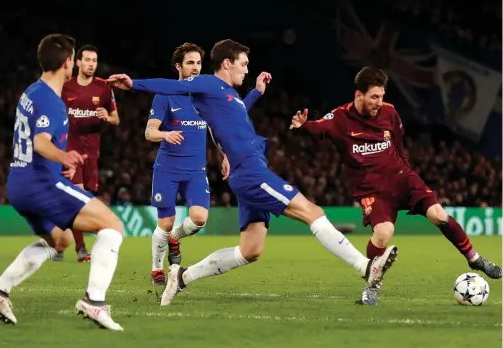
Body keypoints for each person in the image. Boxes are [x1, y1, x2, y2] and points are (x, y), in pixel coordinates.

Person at [107, 39, 399, 307]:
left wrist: (256, 94)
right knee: (313, 212)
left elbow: (234, 117)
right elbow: (171, 86)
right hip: (249, 170)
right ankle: (366, 268)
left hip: (249, 168)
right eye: (244, 64)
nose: (247, 69)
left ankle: (181, 276)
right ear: (227, 63)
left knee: (250, 250)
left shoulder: (227, 94)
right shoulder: (208, 84)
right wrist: (134, 83)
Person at [290, 66, 502, 306]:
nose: (379, 102)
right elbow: (319, 126)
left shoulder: (389, 112)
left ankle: (474, 259)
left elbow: (399, 144)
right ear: (358, 95)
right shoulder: (341, 118)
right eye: (374, 97)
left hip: (402, 179)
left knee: (438, 214)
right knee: (383, 235)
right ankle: (372, 285)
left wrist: (406, 171)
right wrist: (304, 124)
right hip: (373, 191)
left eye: (381, 96)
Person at [0, 34, 124, 330]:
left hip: (19, 183)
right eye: (74, 58)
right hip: (40, 185)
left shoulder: (32, 91)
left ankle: (0, 290)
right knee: (113, 226)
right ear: (67, 63)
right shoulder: (52, 101)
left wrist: (55, 160)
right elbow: (40, 142)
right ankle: (95, 302)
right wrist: (63, 157)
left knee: (59, 242)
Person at [145, 43, 235, 287]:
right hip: (168, 168)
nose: (195, 68)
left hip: (196, 169)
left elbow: (215, 130)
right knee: (164, 222)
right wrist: (165, 134)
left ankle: (175, 239)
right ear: (178, 66)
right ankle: (156, 270)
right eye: (190, 63)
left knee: (199, 218)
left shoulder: (205, 97)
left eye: (198, 63)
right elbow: (149, 132)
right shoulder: (165, 95)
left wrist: (225, 154)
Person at [53, 45, 120, 263]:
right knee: (78, 198)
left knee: (81, 199)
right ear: (78, 62)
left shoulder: (103, 88)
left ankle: (58, 242)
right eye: (87, 60)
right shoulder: (65, 87)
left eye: (95, 60)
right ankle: (80, 249)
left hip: (92, 153)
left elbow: (116, 119)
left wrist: (106, 117)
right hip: (69, 152)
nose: (91, 64)